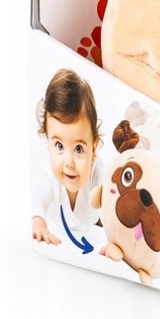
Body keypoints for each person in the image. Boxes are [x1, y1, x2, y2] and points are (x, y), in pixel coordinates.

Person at [32, 69, 103, 245]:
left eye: (78, 149)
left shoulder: (96, 169)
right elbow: (37, 195)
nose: (69, 163)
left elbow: (110, 199)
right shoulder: (48, 173)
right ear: (48, 141)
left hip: (94, 223)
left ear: (93, 146)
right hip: (58, 229)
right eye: (59, 146)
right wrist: (39, 224)